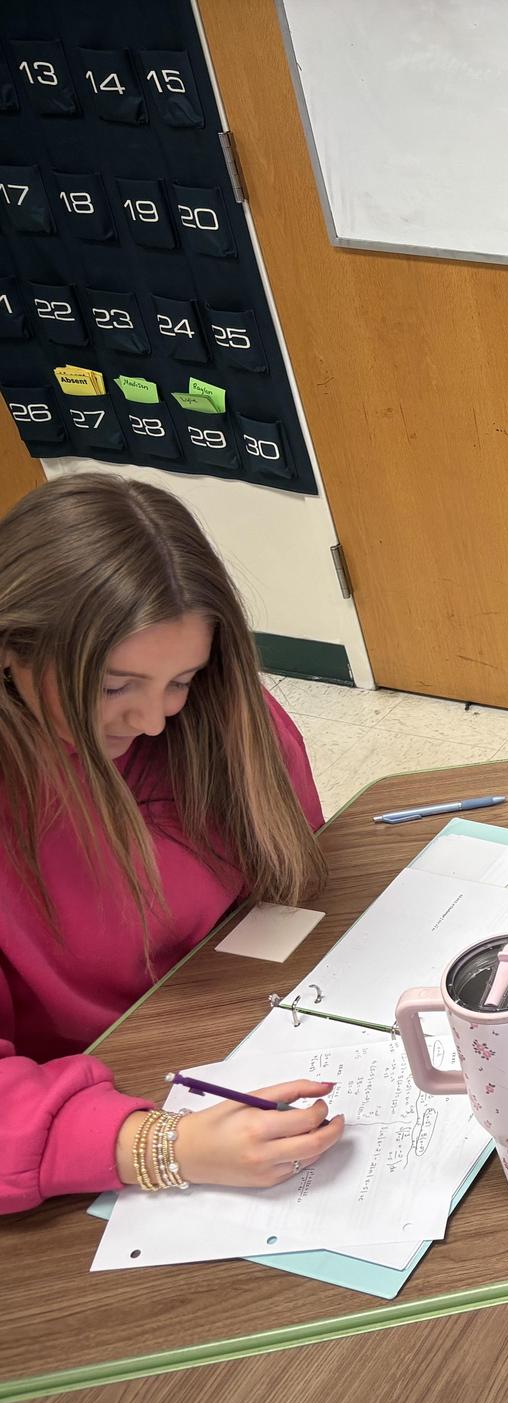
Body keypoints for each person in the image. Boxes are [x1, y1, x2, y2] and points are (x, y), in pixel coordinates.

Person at [1, 475, 343, 1214]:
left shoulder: (219, 717)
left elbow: (293, 880)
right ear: (12, 651)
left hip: (241, 1038)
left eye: (180, 680)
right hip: (84, 1121)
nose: (154, 721)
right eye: (114, 686)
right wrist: (160, 1148)